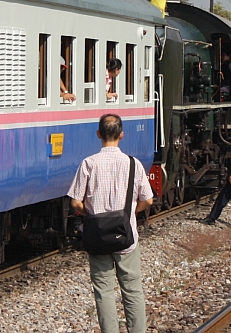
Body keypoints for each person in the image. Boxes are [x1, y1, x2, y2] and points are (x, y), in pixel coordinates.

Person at [68, 114, 154, 333]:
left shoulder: (88, 163)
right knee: (132, 290)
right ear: (122, 135)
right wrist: (129, 214)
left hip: (97, 237)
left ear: (98, 134)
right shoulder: (133, 164)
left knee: (104, 291)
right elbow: (148, 200)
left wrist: (94, 216)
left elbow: (76, 203)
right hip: (126, 236)